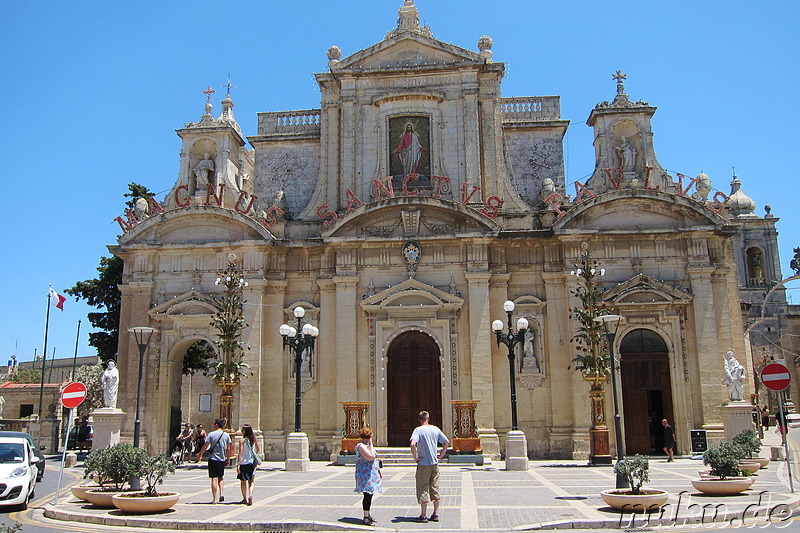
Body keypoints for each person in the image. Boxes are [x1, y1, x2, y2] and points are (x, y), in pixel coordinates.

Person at [410, 411, 450, 523]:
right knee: (435, 487)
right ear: (429, 418)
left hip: (423, 464)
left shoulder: (418, 430)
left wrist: (415, 457)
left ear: (419, 420)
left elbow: (413, 444)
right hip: (434, 464)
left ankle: (423, 515)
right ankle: (436, 514)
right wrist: (441, 455)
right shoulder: (435, 429)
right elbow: (446, 442)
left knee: (423, 487)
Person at [197, 418, 233, 504]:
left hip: (213, 458)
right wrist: (228, 459)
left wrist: (200, 453)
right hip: (221, 459)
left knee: (214, 478)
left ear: (217, 425)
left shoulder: (211, 434)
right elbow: (228, 448)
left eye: (214, 424)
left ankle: (214, 499)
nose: (213, 425)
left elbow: (206, 446)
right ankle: (222, 494)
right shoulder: (226, 435)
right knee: (220, 477)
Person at [354, 427, 382, 526]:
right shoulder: (361, 446)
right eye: (368, 436)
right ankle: (366, 517)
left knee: (370, 495)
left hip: (370, 474)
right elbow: (371, 457)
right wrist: (371, 444)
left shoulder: (366, 445)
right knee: (367, 495)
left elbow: (373, 456)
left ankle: (368, 514)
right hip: (365, 475)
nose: (369, 438)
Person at [236, 424, 260, 506]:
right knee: (251, 480)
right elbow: (258, 449)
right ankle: (250, 495)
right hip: (251, 462)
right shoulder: (254, 439)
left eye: (242, 430)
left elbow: (240, 452)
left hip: (243, 462)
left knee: (243, 481)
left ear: (245, 431)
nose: (241, 432)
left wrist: (238, 464)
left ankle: (244, 498)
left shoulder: (242, 440)